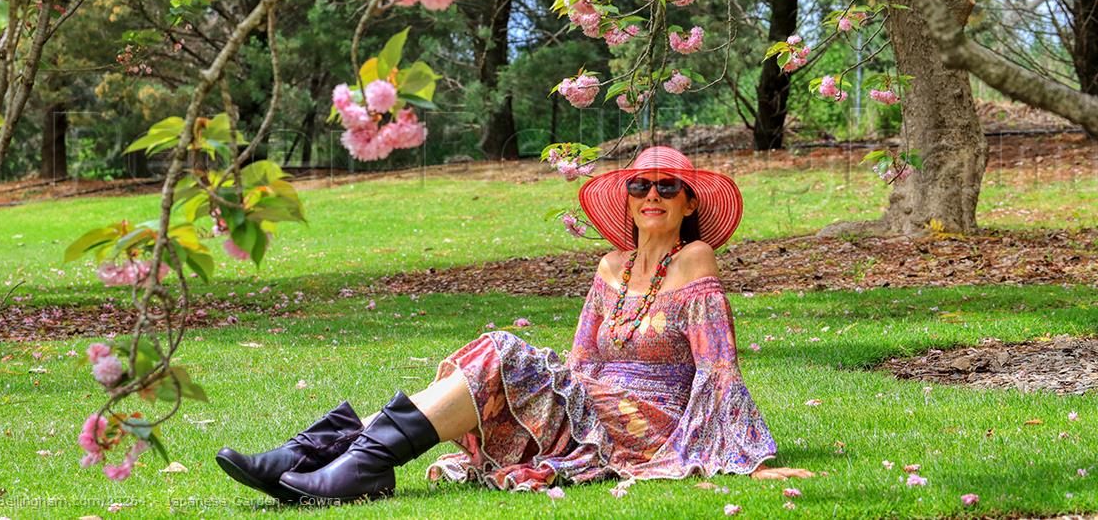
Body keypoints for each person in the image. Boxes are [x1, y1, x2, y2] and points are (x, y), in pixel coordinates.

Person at [216, 145, 813, 505]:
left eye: (666, 188)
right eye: (639, 185)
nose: (650, 194)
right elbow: (581, 362)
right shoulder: (610, 265)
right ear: (627, 199)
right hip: (594, 399)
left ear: (688, 203)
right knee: (505, 367)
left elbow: (717, 367)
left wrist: (748, 458)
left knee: (503, 352)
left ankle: (341, 462)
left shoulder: (696, 259)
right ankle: (320, 457)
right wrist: (549, 389)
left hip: (648, 420)